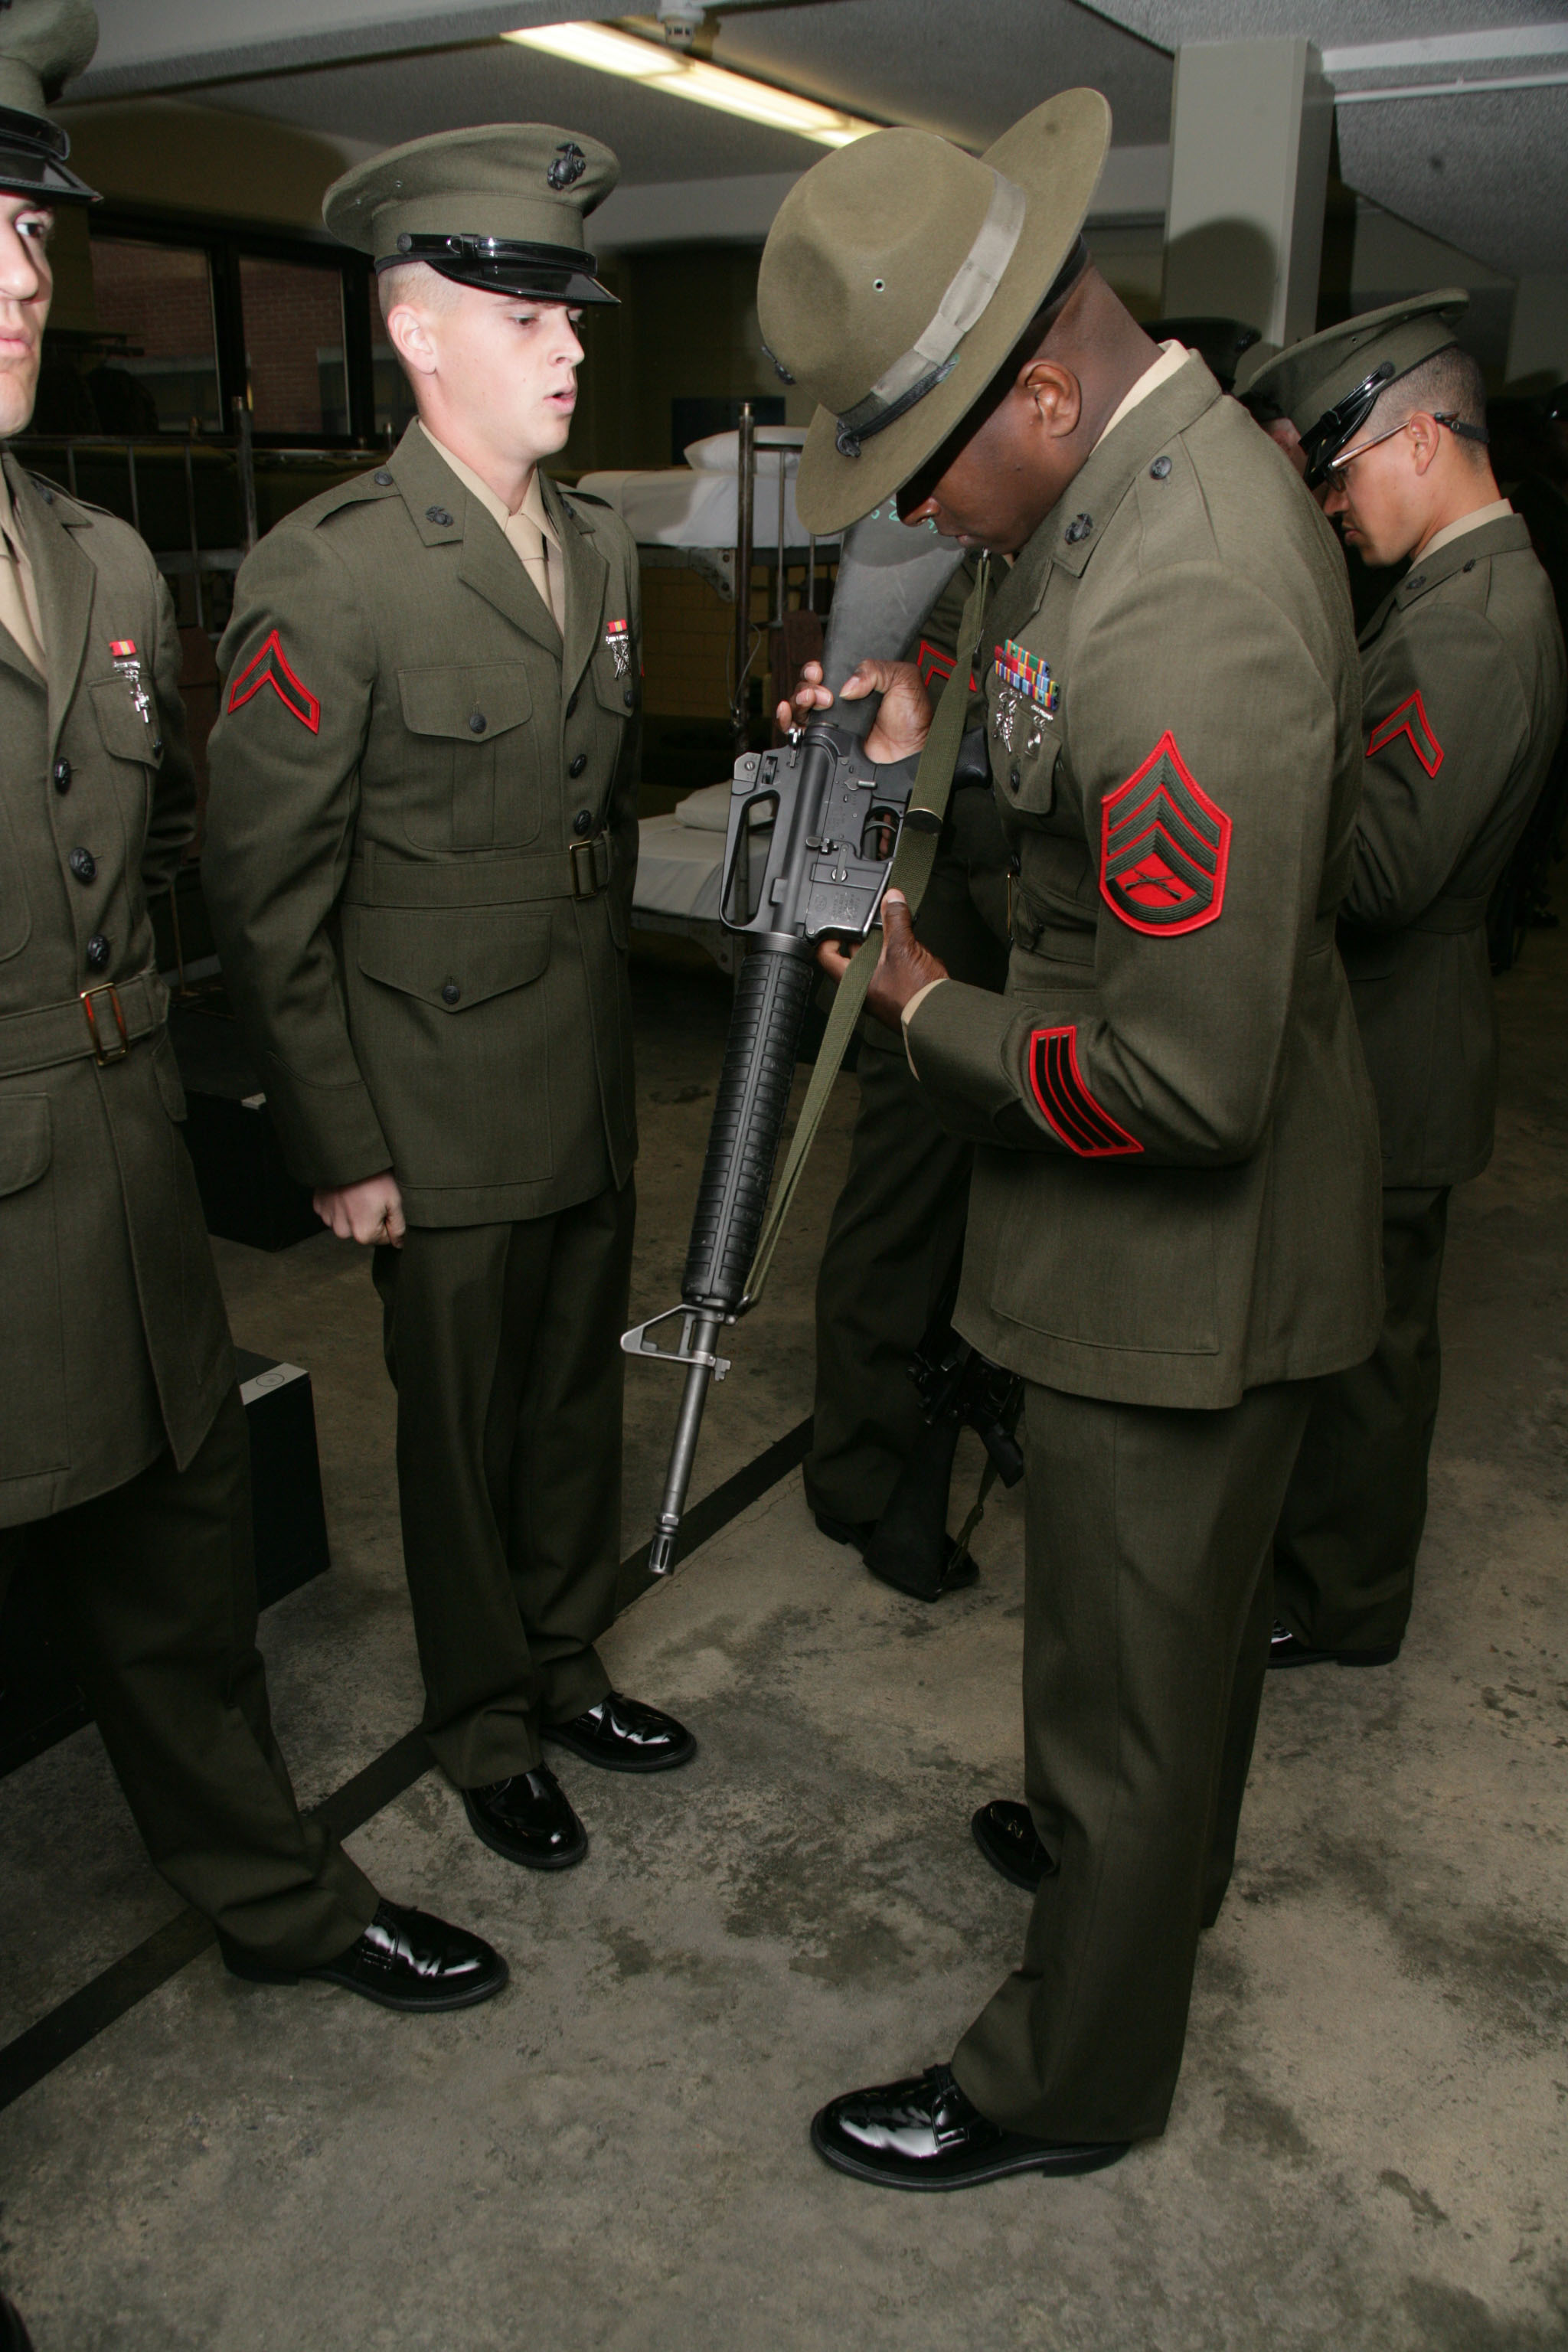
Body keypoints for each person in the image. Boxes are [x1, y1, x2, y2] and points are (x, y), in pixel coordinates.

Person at [759, 88, 1381, 2187]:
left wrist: (926, 1006)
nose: (923, 517)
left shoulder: (1184, 584)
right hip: (1145, 1254)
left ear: (1039, 383)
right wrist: (932, 738)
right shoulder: (1100, 499)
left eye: (927, 470)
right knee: (1155, 1680)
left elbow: (1182, 1082)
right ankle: (1138, 1887)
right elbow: (1070, 770)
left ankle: (1071, 2079)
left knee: (1122, 1699)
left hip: (1175, 1271)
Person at [0, 0, 503, 2014]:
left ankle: (279, 1904)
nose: (24, 275)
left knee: (186, 1598)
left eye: (35, 229)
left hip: (121, 1204)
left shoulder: (104, 565)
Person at [204, 126, 693, 1880]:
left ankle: (565, 1664)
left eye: (575, 315)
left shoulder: (600, 554)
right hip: (426, 1084)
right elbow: (266, 892)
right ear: (419, 335)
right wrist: (337, 1138)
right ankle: (482, 1716)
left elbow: (590, 817)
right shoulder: (332, 568)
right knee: (464, 1430)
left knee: (572, 1401)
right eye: (529, 313)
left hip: (572, 1062)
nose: (573, 345)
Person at [1245, 297, 1566, 1668]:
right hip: (1388, 1044)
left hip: (1395, 1048)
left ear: (1420, 438)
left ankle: (1345, 1606)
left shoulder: (1476, 627)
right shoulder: (1446, 597)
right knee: (1356, 1345)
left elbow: (1379, 877)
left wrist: (1269, 769)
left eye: (1341, 468)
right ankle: (1332, 1581)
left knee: (1368, 1364)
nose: (1328, 503)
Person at [791, 553, 1013, 1596]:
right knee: (901, 1214)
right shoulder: (953, 564)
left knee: (955, 1217)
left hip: (992, 928)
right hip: (942, 919)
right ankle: (863, 1478)